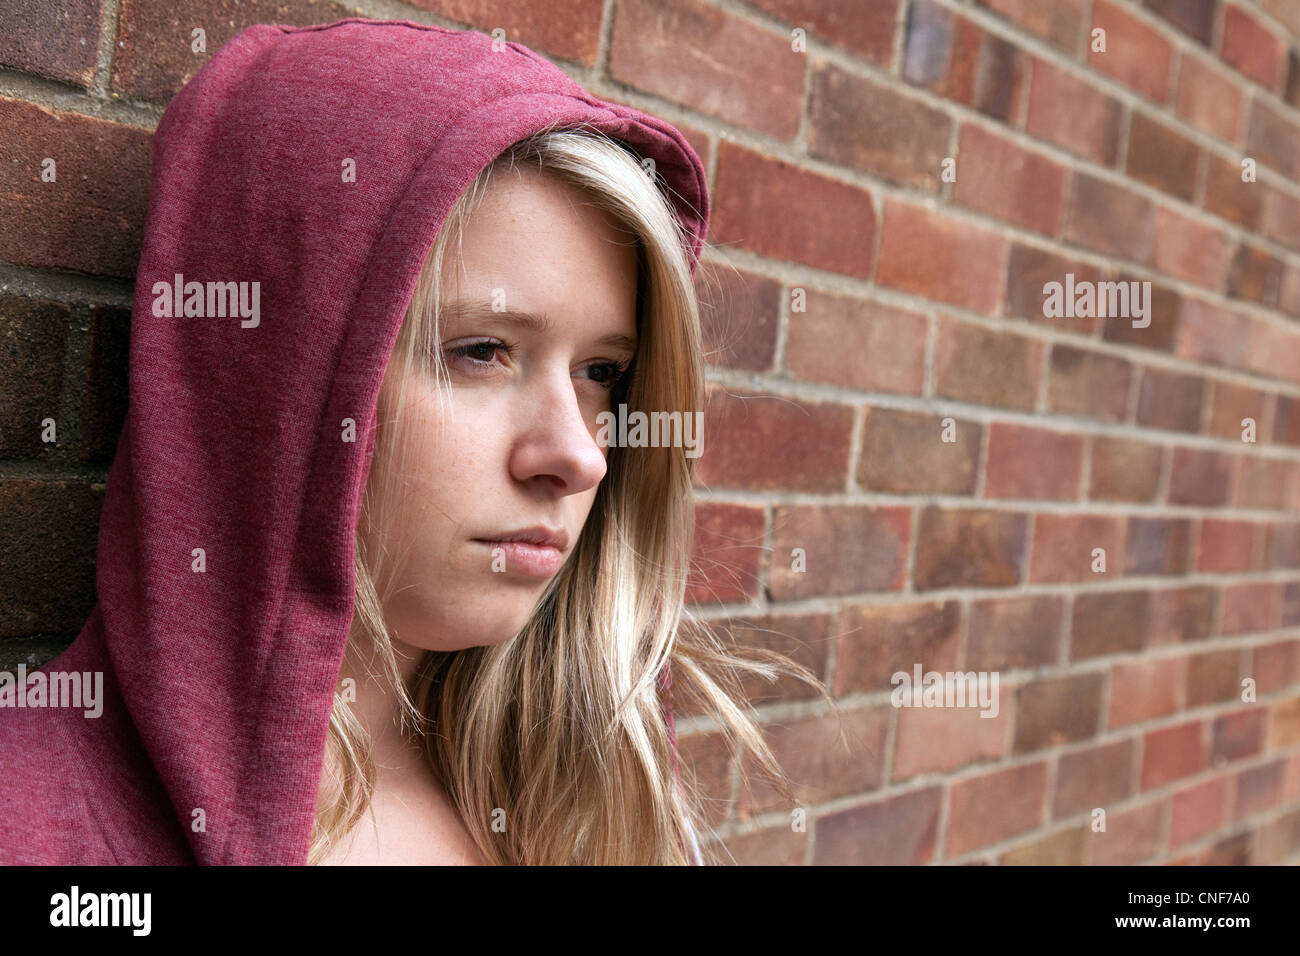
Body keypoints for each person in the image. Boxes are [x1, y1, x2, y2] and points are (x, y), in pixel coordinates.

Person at [0, 17, 825, 865]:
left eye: (603, 373)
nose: (578, 456)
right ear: (279, 373)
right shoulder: (26, 824)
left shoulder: (609, 804)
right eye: (481, 351)